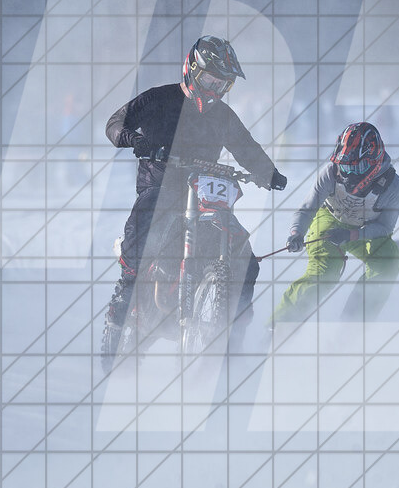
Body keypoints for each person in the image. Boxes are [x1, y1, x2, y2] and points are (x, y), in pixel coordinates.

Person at [102, 35, 288, 354]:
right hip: (159, 187)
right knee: (141, 222)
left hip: (202, 191)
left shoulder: (223, 116)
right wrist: (134, 139)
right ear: (192, 69)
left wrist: (269, 173)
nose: (214, 90)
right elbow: (115, 123)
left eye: (222, 85)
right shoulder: (158, 99)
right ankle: (125, 291)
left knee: (243, 253)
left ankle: (236, 330)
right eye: (210, 80)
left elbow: (246, 147)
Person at [273, 122, 399, 322]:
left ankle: (353, 326)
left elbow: (385, 227)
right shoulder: (330, 173)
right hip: (330, 218)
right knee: (324, 272)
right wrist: (296, 233)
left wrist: (353, 235)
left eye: (357, 167)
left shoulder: (393, 186)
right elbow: (308, 208)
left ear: (373, 161)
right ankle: (279, 325)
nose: (348, 174)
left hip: (367, 229)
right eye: (344, 166)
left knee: (387, 263)